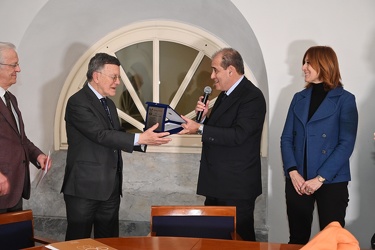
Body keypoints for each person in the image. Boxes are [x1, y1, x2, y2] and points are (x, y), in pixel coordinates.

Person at [61, 53, 171, 240]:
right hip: (84, 190)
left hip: (110, 188)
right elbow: (100, 135)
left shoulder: (109, 104)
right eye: (114, 77)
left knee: (109, 242)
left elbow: (117, 134)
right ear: (96, 76)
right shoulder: (77, 102)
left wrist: (146, 138)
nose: (118, 82)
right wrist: (140, 138)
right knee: (77, 243)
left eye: (118, 77)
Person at [179, 48, 266, 241]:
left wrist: (200, 129)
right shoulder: (225, 95)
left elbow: (239, 135)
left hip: (236, 187)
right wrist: (205, 117)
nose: (212, 76)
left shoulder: (252, 96)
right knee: (214, 241)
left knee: (240, 242)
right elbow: (221, 130)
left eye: (215, 70)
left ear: (231, 70)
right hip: (217, 184)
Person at [280, 46, 358, 244]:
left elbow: (346, 144)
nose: (303, 68)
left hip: (331, 181)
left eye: (308, 62)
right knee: (297, 239)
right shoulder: (299, 98)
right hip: (298, 180)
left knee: (332, 241)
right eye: (304, 63)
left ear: (323, 64)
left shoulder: (345, 99)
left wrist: (320, 178)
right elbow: (286, 138)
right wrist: (293, 172)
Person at [0, 42, 51, 212]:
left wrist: (37, 156)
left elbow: (20, 139)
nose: (18, 69)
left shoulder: (11, 99)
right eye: (13, 65)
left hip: (15, 188)